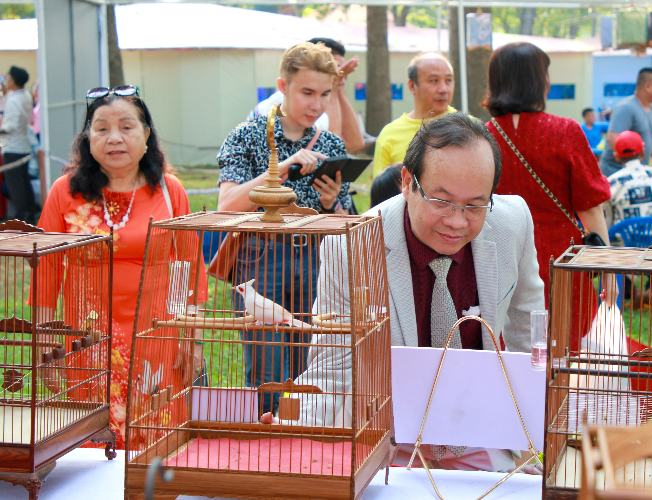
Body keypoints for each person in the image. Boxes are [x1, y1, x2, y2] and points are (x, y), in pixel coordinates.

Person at [299, 113, 544, 472]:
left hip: (482, 436)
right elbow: (332, 364)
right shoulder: (352, 246)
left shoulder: (512, 222)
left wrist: (529, 428)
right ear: (406, 182)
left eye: (475, 204)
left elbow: (530, 331)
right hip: (387, 442)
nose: (458, 221)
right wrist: (306, 440)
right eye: (441, 201)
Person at [37, 85, 206, 448]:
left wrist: (192, 337)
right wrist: (46, 339)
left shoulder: (168, 190)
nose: (114, 138)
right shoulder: (64, 192)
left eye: (127, 127)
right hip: (90, 336)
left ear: (146, 135)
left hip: (158, 333)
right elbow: (47, 270)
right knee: (95, 437)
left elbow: (190, 263)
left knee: (158, 432)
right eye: (101, 128)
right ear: (87, 138)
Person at [217, 42, 351, 412]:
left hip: (318, 259)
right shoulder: (247, 135)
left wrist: (330, 201)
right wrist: (282, 167)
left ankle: (306, 446)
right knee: (267, 368)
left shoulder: (331, 143)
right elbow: (227, 206)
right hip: (260, 259)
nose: (317, 104)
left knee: (316, 365)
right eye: (307, 92)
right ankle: (267, 446)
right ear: (283, 86)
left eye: (325, 94)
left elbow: (347, 223)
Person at [484, 42, 611, 308]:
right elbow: (591, 207)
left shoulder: (482, 136)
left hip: (498, 255)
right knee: (565, 339)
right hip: (562, 256)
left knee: (505, 339)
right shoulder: (566, 131)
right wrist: (609, 274)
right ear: (539, 81)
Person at [248, 38, 365, 154]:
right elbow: (331, 153)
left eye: (341, 69)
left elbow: (355, 145)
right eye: (307, 93)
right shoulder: (272, 108)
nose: (316, 106)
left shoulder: (322, 106)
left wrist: (336, 88)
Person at [370, 52, 456, 178]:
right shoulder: (390, 134)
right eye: (433, 81)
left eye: (448, 80)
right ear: (412, 86)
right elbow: (381, 192)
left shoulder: (470, 127)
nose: (443, 89)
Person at [599, 67, 652, 180]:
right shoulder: (626, 108)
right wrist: (632, 165)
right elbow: (613, 138)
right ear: (648, 86)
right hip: (615, 175)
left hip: (636, 175)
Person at [607, 130, 652, 227]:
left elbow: (607, 223)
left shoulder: (611, 183)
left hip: (625, 242)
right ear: (642, 153)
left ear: (616, 157)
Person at [0, 65, 38, 223]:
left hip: (13, 147)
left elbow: (12, 125)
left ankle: (24, 216)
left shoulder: (14, 99)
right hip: (22, 145)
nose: (6, 81)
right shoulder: (24, 95)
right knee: (23, 181)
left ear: (14, 81)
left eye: (8, 78)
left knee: (16, 185)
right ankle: (29, 210)